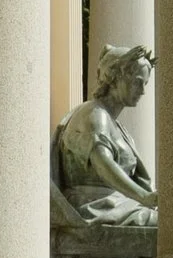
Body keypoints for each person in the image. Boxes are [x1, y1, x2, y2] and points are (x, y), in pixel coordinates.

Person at [54, 44, 159, 228]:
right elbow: (103, 164)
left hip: (117, 205)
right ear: (115, 77)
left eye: (145, 84)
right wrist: (144, 197)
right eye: (137, 82)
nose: (142, 91)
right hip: (95, 207)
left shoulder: (116, 124)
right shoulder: (95, 114)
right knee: (172, 229)